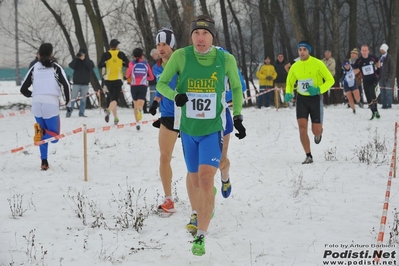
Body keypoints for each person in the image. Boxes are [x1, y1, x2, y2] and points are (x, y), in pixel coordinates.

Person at [156, 14, 246, 256]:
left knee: (206, 179)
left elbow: (236, 87)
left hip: (212, 130)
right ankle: (208, 200)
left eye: (205, 33)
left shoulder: (225, 59)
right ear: (191, 36)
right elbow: (161, 84)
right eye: (196, 33)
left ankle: (201, 236)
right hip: (188, 131)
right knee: (196, 182)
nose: (200, 37)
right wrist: (176, 95)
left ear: (212, 37)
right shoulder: (181, 56)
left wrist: (237, 116)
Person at [185, 45, 247, 236]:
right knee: (194, 170)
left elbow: (240, 87)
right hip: (196, 121)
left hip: (220, 118)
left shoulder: (225, 61)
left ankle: (225, 177)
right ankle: (198, 210)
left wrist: (220, 93)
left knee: (220, 161)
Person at [20, 43, 71, 170]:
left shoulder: (34, 68)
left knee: (41, 135)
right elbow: (66, 85)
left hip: (37, 104)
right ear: (51, 54)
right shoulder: (56, 67)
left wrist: (34, 95)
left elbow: (23, 89)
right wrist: (68, 102)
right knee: (55, 137)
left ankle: (44, 162)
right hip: (51, 104)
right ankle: (42, 132)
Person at [284, 41, 334, 164]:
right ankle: (308, 155)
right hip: (301, 99)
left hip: (315, 99)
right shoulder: (295, 66)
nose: (302, 52)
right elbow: (289, 82)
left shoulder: (318, 63)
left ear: (308, 51)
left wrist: (318, 89)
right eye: (300, 49)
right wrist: (288, 92)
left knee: (315, 130)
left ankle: (318, 133)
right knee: (302, 128)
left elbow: (330, 80)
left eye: (304, 49)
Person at [149, 28, 179, 215]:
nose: (161, 48)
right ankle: (168, 199)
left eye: (165, 44)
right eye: (158, 44)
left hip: (188, 115)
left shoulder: (182, 62)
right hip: (168, 115)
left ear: (172, 45)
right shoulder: (157, 67)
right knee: (164, 156)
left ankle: (205, 194)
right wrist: (156, 101)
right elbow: (162, 86)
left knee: (195, 162)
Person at [98, 39, 129, 125]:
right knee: (115, 99)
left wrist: (107, 64)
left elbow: (99, 65)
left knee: (112, 99)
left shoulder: (106, 54)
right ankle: (108, 110)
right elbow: (128, 63)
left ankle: (115, 118)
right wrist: (120, 64)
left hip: (108, 80)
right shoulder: (120, 54)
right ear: (116, 46)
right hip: (118, 79)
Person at [125, 48, 154, 130]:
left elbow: (128, 74)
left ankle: (137, 123)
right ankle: (139, 109)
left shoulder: (131, 63)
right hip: (143, 85)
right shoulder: (146, 64)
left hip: (133, 86)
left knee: (135, 104)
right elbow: (151, 77)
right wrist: (145, 77)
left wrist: (126, 76)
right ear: (142, 55)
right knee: (140, 103)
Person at [352, 44, 380, 120]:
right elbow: (354, 70)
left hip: (373, 79)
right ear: (361, 51)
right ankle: (374, 112)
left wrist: (378, 69)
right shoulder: (359, 60)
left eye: (365, 50)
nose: (364, 52)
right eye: (363, 51)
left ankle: (376, 110)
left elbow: (378, 61)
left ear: (368, 51)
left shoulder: (372, 58)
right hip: (365, 80)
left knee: (372, 92)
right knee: (368, 98)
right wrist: (358, 70)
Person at [66, 48, 94, 117]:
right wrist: (77, 58)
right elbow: (71, 65)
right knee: (72, 98)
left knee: (83, 99)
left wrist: (84, 59)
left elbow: (91, 66)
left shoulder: (88, 61)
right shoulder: (76, 61)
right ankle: (69, 112)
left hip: (85, 83)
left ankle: (81, 113)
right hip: (76, 83)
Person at [379, 43, 394, 109]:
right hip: (381, 78)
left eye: (382, 49)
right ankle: (384, 105)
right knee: (382, 92)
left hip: (387, 78)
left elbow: (392, 68)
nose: (381, 51)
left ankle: (389, 104)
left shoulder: (389, 58)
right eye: (381, 49)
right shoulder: (380, 57)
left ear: (385, 50)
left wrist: (390, 77)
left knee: (388, 92)